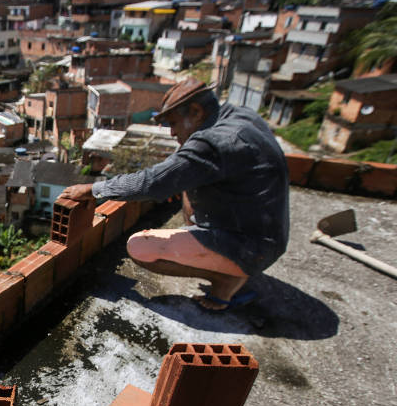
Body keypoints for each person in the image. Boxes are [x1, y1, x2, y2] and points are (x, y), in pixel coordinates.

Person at [61, 78, 289, 311]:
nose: (172, 132)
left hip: (251, 247)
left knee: (140, 248)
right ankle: (228, 265)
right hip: (263, 234)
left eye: (174, 123)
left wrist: (92, 189)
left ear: (197, 111)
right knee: (187, 187)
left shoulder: (212, 143)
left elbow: (151, 183)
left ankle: (227, 281)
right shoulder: (239, 115)